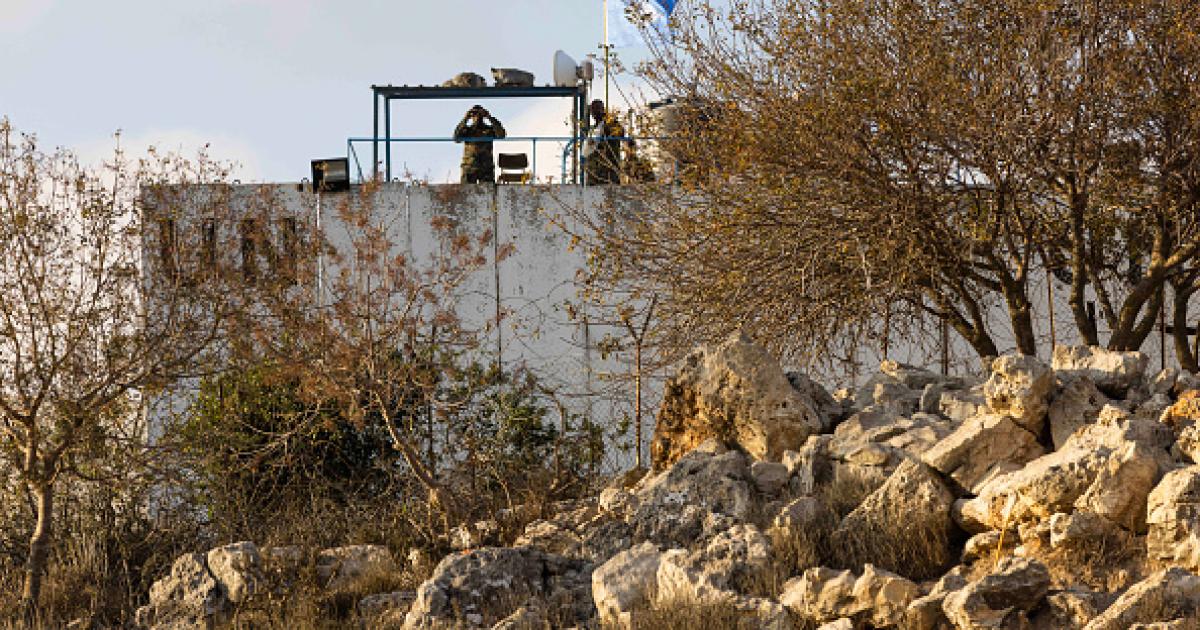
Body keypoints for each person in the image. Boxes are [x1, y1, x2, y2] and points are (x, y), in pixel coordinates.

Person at [453, 105, 507, 184]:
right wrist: (465, 118)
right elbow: (456, 138)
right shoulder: (467, 130)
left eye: (480, 114)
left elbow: (501, 135)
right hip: (469, 166)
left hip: (486, 166)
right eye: (474, 114)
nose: (477, 117)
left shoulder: (489, 130)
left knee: (488, 193)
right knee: (467, 193)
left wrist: (490, 117)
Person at [583, 100, 628, 185]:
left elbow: (620, 132)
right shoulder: (593, 130)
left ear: (603, 109)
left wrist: (607, 120)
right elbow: (587, 150)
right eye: (593, 110)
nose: (595, 112)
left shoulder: (611, 123)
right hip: (594, 171)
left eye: (597, 108)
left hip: (609, 169)